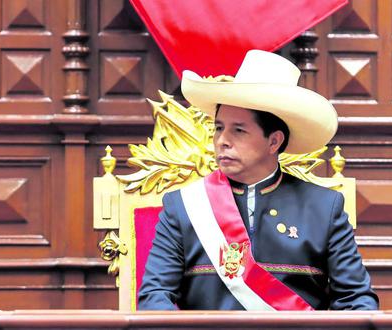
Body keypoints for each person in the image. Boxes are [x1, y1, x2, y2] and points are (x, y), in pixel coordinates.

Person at [138, 50, 378, 310]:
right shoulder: (183, 206)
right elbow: (155, 297)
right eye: (219, 128)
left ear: (273, 141)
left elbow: (356, 300)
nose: (222, 141)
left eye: (238, 130)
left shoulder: (323, 207)